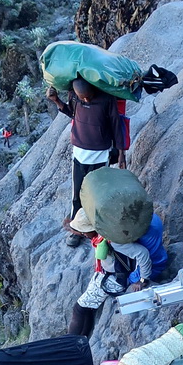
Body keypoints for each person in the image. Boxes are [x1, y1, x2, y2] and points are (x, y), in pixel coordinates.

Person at [66, 208, 168, 338]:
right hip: (140, 263)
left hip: (118, 278)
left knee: (79, 309)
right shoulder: (111, 228)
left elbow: (142, 254)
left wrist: (143, 280)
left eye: (84, 231)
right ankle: (81, 340)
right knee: (87, 308)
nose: (83, 234)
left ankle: (70, 343)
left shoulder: (114, 240)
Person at [47, 76, 124, 245]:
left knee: (98, 193)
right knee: (77, 195)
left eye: (88, 96)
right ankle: (77, 228)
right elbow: (71, 113)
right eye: (83, 97)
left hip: (100, 154)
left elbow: (116, 124)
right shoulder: (74, 96)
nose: (86, 99)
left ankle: (98, 227)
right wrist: (56, 101)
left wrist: (121, 153)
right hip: (80, 154)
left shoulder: (106, 99)